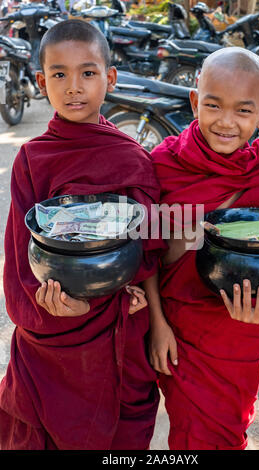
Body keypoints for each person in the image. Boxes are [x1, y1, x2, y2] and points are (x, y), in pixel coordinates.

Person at [0, 19, 166, 450]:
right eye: (59, 74)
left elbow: (147, 249)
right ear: (41, 82)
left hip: (120, 329)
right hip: (53, 336)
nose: (74, 87)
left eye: (88, 73)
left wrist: (146, 303)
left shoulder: (132, 159)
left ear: (109, 79)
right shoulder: (33, 160)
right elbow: (21, 258)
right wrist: (44, 306)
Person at [145, 47, 259, 450]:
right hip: (180, 331)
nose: (226, 122)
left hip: (238, 335)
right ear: (195, 100)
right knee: (194, 435)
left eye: (243, 112)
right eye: (213, 105)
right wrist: (158, 325)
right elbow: (148, 256)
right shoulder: (163, 166)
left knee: (229, 432)